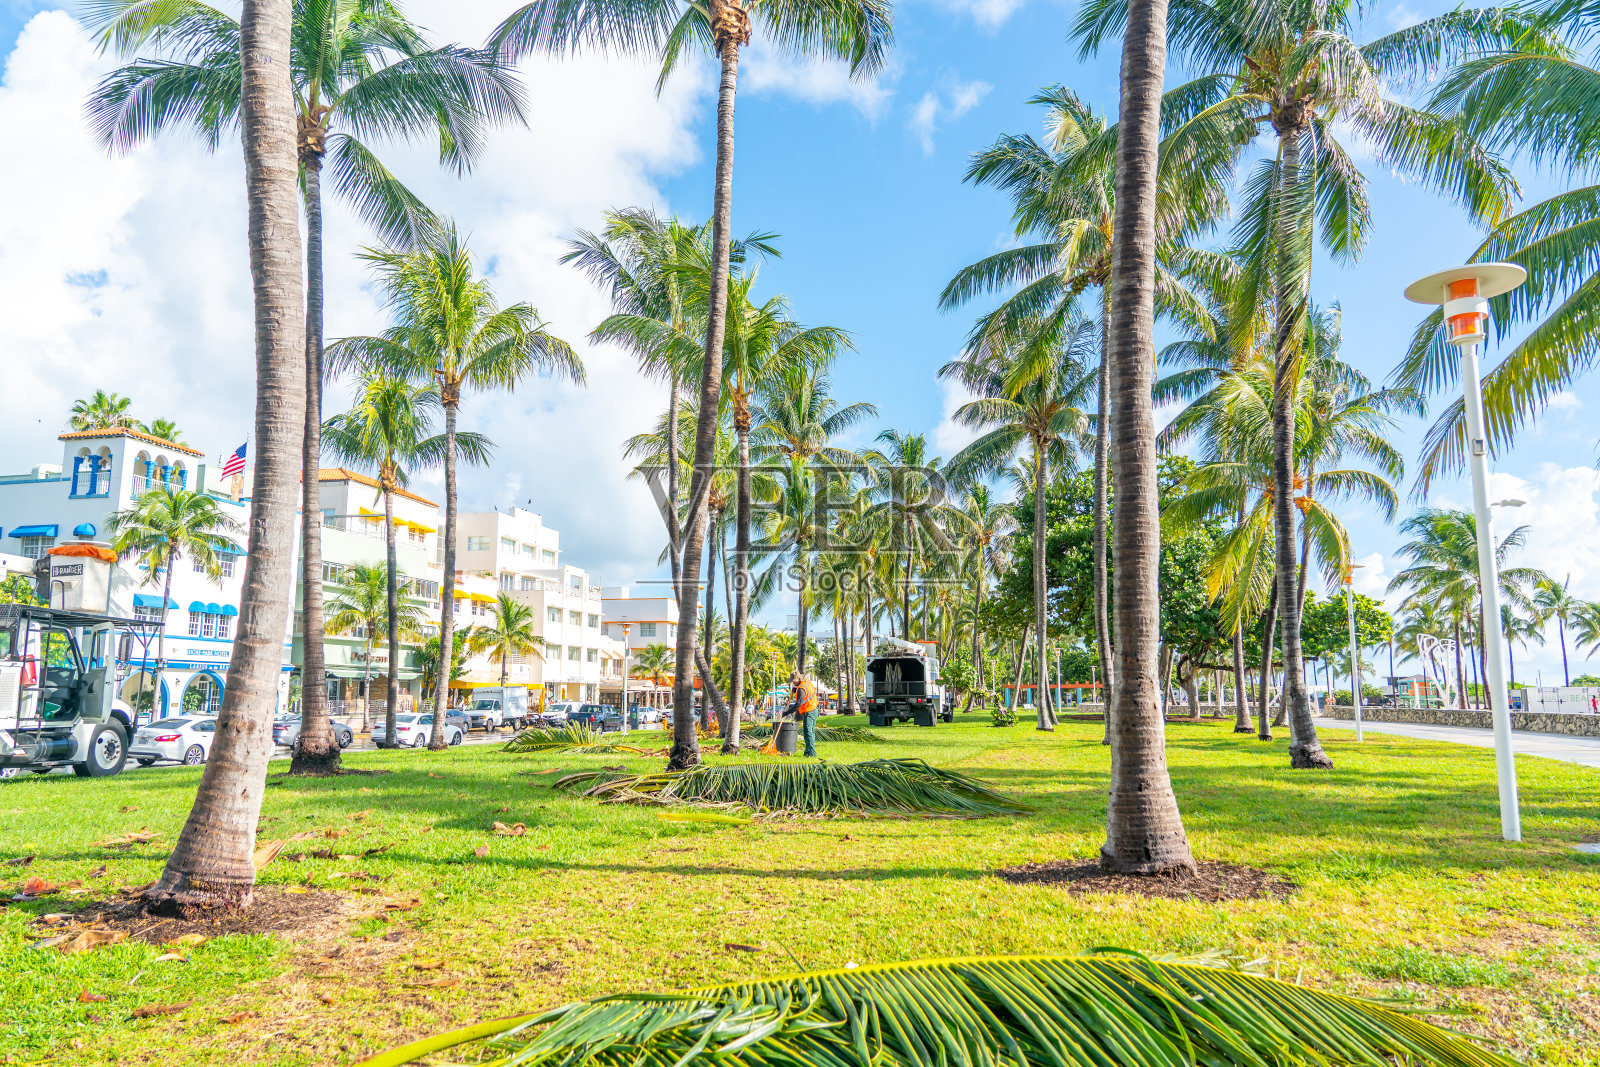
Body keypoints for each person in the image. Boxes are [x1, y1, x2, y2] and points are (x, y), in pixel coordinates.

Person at [785, 670, 820, 757]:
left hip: (809, 710)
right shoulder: (805, 682)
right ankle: (808, 751)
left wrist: (787, 712)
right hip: (814, 709)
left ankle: (811, 753)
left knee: (808, 732)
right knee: (810, 732)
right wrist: (796, 688)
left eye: (794, 681)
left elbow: (798, 704)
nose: (793, 682)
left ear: (798, 679)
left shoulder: (801, 689)